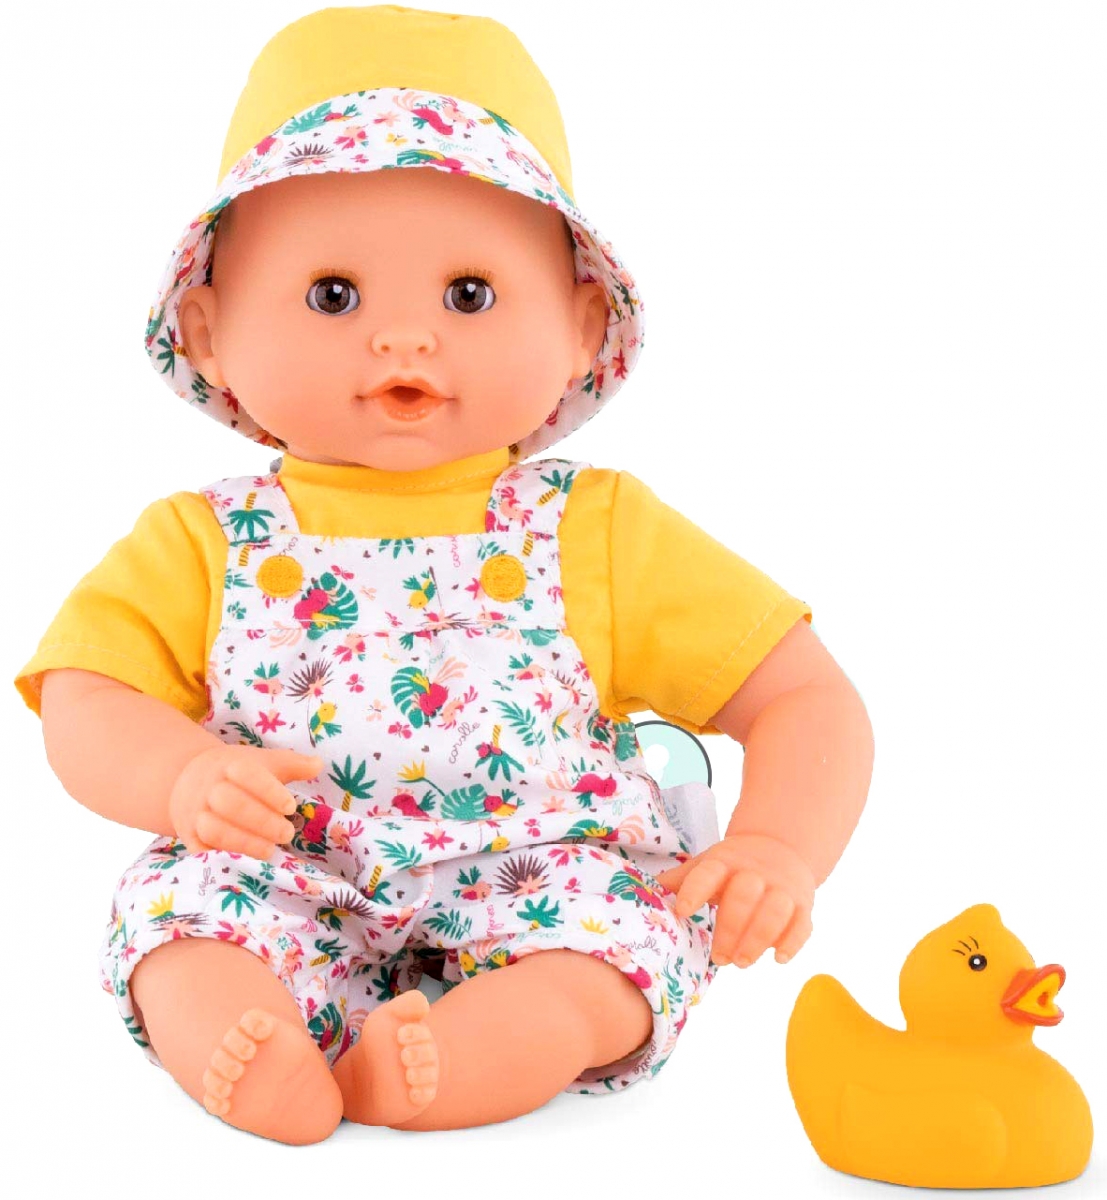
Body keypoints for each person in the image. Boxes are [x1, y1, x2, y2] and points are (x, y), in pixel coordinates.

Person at [14, 5, 873, 1144]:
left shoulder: (599, 529)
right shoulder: (200, 541)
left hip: (540, 873)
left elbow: (803, 695)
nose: (403, 339)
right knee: (178, 914)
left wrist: (774, 847)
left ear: (581, 326)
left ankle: (478, 1049)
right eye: (333, 294)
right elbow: (86, 693)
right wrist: (179, 780)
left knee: (619, 945)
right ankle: (250, 1033)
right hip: (288, 870)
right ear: (210, 330)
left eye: (468, 294)